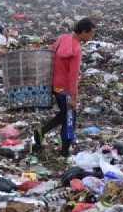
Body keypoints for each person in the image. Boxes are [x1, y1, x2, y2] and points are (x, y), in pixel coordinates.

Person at [34, 18, 97, 157]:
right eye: (91, 34)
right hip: (65, 89)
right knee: (70, 118)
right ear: (84, 32)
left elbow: (49, 54)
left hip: (54, 85)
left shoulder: (62, 38)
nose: (91, 37)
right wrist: (73, 98)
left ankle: (41, 132)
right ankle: (64, 151)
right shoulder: (76, 49)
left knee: (64, 114)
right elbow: (73, 76)